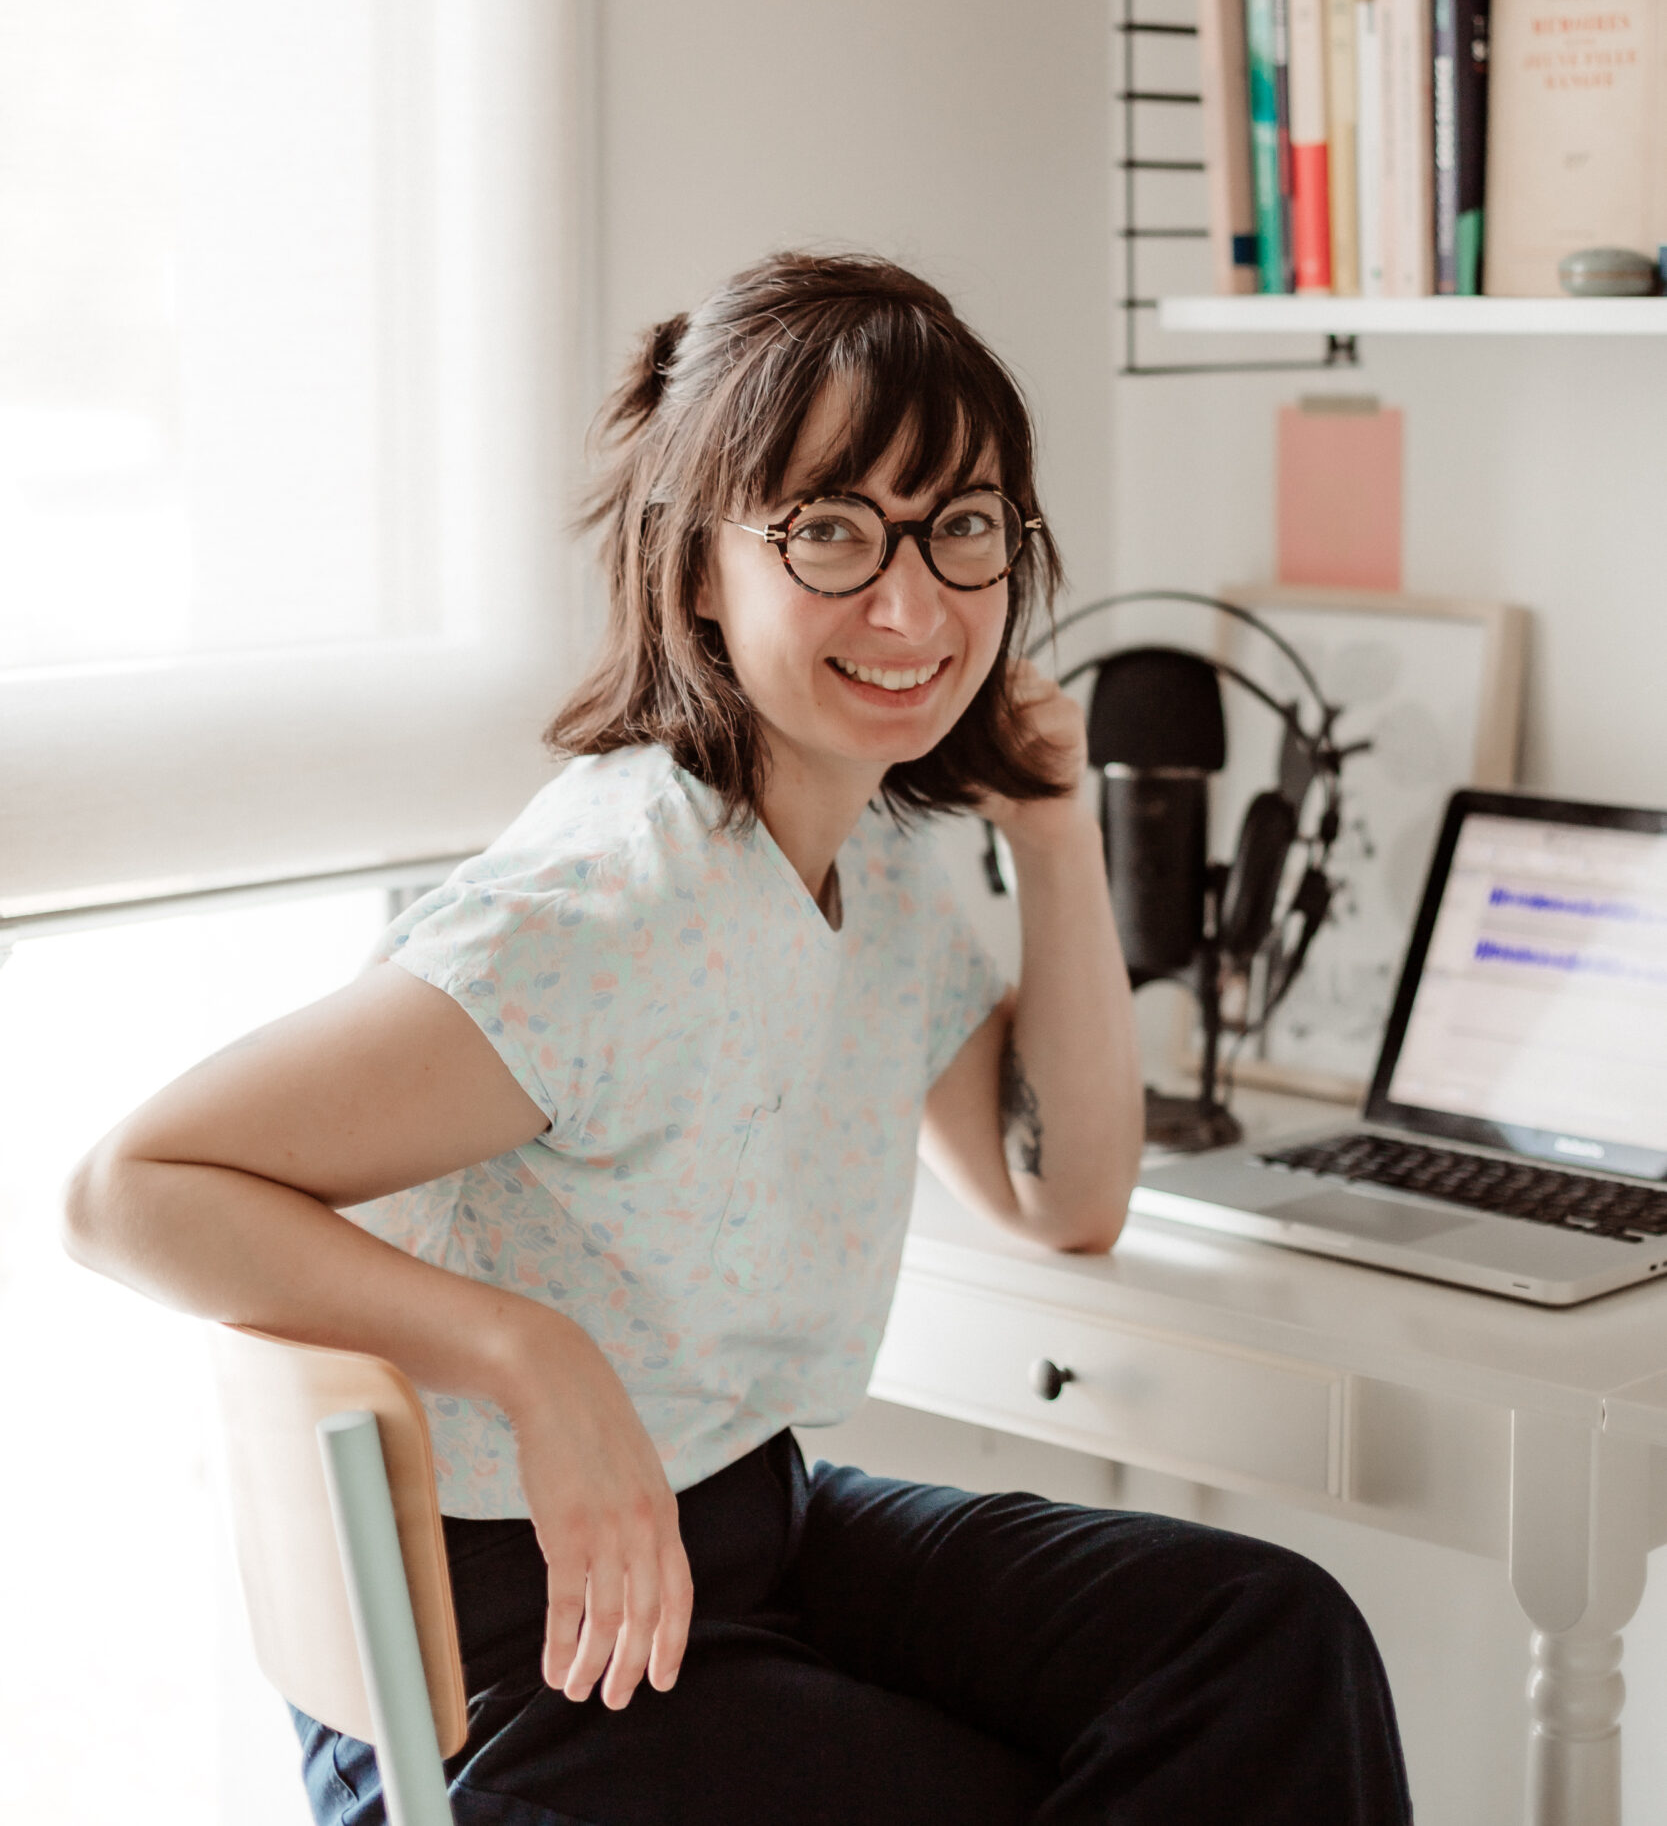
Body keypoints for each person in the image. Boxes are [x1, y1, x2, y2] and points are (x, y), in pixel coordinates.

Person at [64, 251, 1411, 1825]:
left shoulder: (884, 859)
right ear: (699, 568)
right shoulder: (603, 914)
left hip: (748, 1539)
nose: (911, 603)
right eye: (831, 531)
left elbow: (1068, 1201)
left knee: (1263, 1643)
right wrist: (528, 1355)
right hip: (528, 1643)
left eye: (960, 528)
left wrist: (1054, 837)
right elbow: (128, 1189)